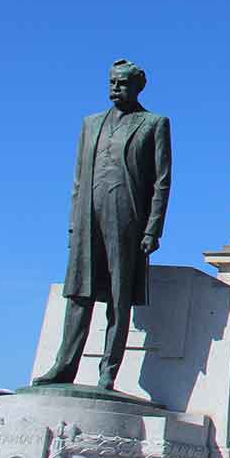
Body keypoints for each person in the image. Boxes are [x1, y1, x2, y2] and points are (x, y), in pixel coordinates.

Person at [34, 59, 172, 390]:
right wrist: (72, 225)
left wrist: (153, 228)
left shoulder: (153, 124)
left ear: (138, 86)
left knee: (117, 297)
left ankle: (108, 370)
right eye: (111, 82)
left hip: (127, 218)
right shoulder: (90, 124)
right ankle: (63, 366)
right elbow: (78, 180)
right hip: (87, 217)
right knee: (78, 294)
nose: (115, 88)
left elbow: (162, 181)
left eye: (122, 83)